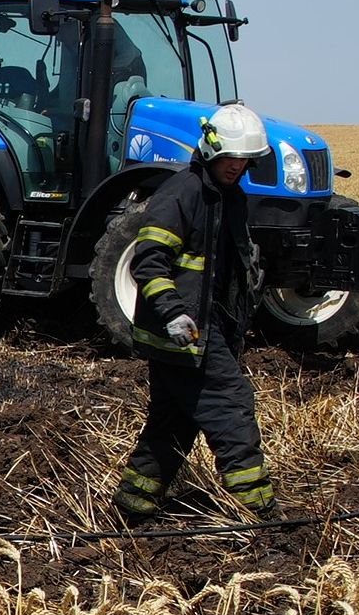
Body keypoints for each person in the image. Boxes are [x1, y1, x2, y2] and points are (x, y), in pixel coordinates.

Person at [113, 104, 277, 525]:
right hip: (183, 334)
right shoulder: (181, 193)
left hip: (207, 329)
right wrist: (172, 313)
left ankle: (135, 505)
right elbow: (148, 260)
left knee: (173, 423)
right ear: (211, 150)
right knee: (231, 404)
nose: (237, 166)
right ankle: (260, 511)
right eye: (231, 158)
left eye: (245, 160)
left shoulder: (230, 199)